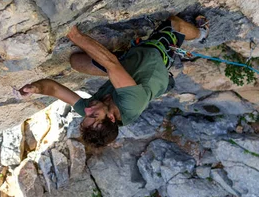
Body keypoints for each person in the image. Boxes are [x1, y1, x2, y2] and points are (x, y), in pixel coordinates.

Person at [19, 15, 208, 147]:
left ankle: (125, 65)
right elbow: (111, 64)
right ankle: (202, 34)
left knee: (77, 62)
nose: (87, 110)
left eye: (86, 116)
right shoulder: (131, 105)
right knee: (176, 24)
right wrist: (75, 35)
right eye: (93, 115)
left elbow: (53, 89)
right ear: (111, 117)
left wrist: (35, 88)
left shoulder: (93, 111)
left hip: (127, 67)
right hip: (154, 57)